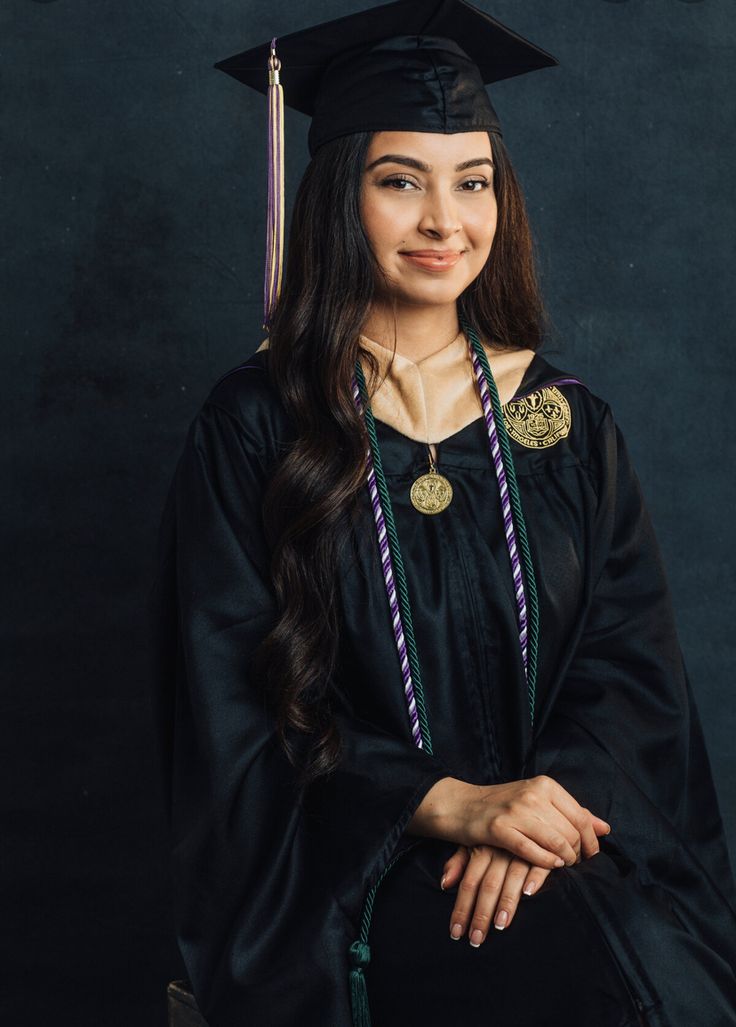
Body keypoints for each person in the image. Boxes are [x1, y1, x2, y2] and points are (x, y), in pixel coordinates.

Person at [149, 1, 736, 1024]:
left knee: (620, 942)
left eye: (472, 183)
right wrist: (449, 804)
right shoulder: (257, 424)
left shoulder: (565, 423)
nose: (443, 221)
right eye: (398, 182)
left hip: (564, 852)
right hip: (343, 874)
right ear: (339, 197)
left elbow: (630, 680)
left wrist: (526, 826)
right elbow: (231, 695)